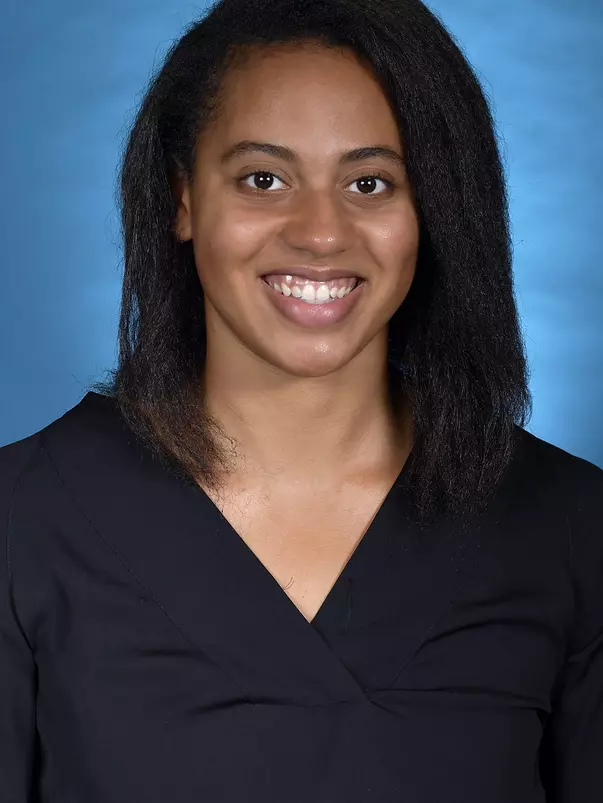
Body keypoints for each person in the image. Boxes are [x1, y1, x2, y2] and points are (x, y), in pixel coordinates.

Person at [1, 0, 601, 800]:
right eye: (262, 178)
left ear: (432, 208)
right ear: (182, 197)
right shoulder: (23, 519)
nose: (321, 232)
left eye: (369, 182)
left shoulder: (571, 527)